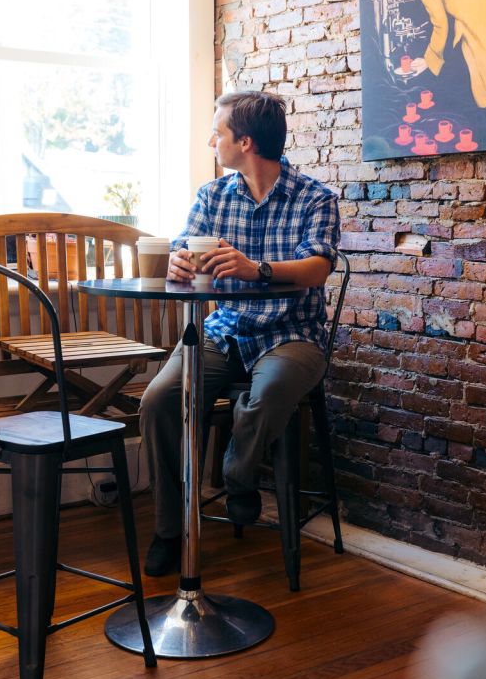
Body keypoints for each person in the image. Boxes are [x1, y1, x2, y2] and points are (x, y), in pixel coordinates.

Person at [137, 90, 340, 577]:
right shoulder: (212, 196)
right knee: (160, 399)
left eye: (218, 131)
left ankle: (237, 475)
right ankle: (170, 530)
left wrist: (257, 270)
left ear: (245, 141)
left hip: (293, 334)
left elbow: (317, 269)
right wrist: (181, 263)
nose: (212, 140)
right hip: (224, 330)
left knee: (268, 392)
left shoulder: (316, 198)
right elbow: (184, 250)